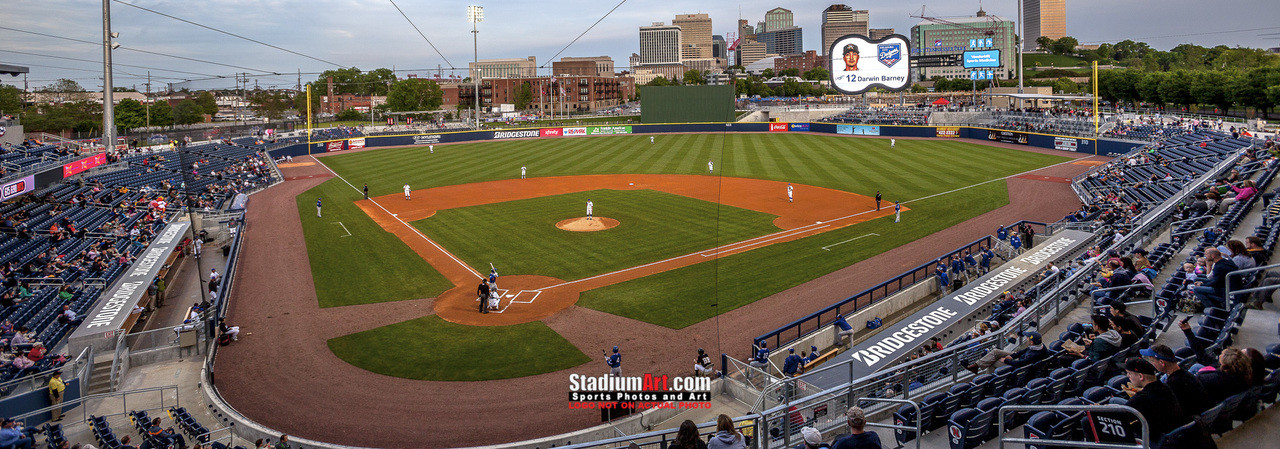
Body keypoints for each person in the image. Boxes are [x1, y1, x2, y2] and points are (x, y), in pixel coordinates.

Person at [1121, 358, 1189, 440]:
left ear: (1140, 376)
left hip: (1160, 440)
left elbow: (1120, 417)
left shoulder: (1141, 398)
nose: (1128, 376)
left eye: (1129, 373)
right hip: (1176, 433)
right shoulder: (1165, 387)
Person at [1141, 344, 1209, 415]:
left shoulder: (1172, 385)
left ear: (1162, 362)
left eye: (1152, 361)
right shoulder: (1185, 374)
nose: (1152, 364)